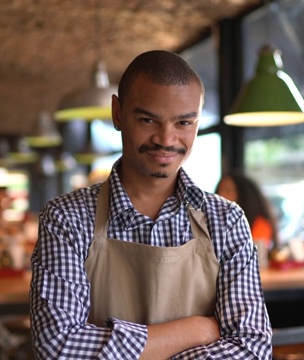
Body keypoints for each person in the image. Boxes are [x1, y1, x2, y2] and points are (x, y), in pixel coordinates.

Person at [30, 50, 272, 358]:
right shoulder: (66, 218)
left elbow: (251, 346)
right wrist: (196, 330)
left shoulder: (226, 220)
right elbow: (59, 348)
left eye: (183, 122)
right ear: (117, 113)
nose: (166, 139)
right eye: (148, 119)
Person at [215, 172, 280, 252]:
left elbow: (255, 254)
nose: (220, 195)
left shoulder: (260, 224)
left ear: (244, 195)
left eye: (228, 190)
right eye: (219, 191)